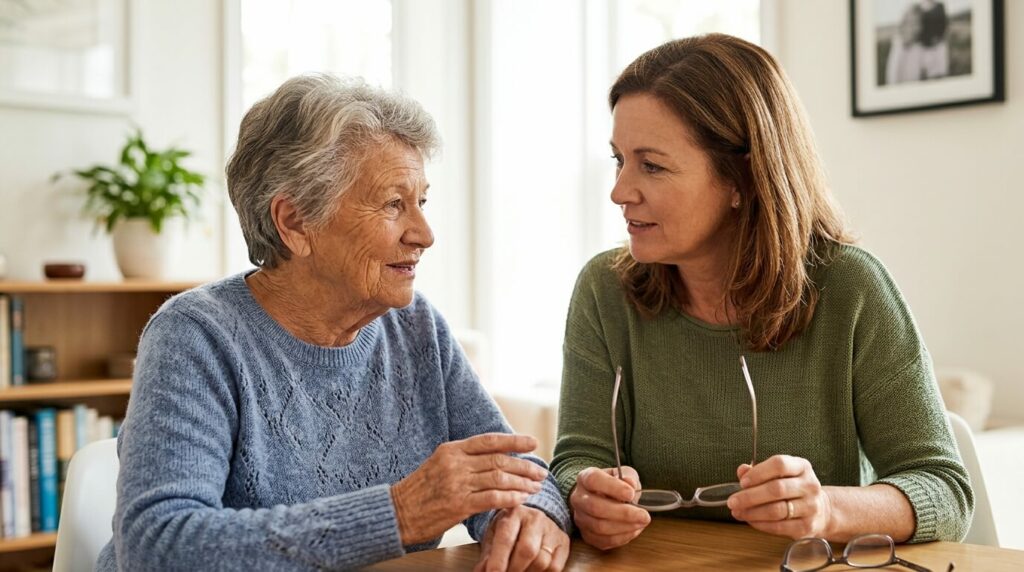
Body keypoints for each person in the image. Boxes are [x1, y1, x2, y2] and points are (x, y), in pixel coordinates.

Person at [96, 74, 570, 571]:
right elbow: (158, 546)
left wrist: (529, 517)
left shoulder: (414, 327)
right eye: (393, 204)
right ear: (295, 222)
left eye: (422, 202)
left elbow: (517, 473)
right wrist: (399, 514)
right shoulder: (196, 337)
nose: (424, 234)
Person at [550, 34, 972, 551]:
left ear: (742, 179)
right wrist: (584, 496)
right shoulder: (604, 290)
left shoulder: (852, 289)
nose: (619, 191)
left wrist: (827, 509)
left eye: (652, 165)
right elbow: (575, 461)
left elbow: (944, 490)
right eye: (619, 160)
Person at [886, 3, 927, 84]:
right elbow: (892, 80)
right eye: (912, 23)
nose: (917, 28)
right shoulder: (899, 46)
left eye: (919, 23)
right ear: (904, 24)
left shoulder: (919, 47)